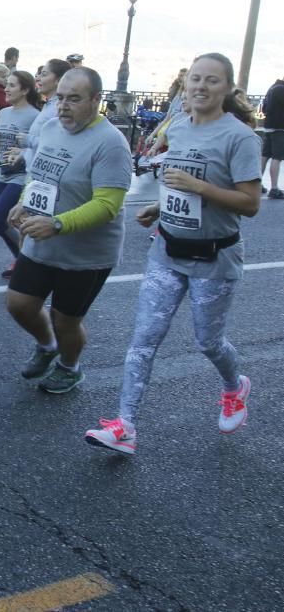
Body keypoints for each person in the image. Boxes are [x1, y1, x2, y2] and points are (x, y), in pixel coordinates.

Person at [85, 53, 261, 455]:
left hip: (215, 259)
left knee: (208, 342)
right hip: (167, 251)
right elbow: (178, 186)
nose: (200, 86)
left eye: (212, 81)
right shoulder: (179, 127)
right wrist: (162, 208)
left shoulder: (240, 138)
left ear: (229, 89)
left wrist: (200, 188)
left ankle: (236, 387)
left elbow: (250, 204)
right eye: (195, 79)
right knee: (143, 340)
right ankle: (125, 426)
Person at [6, 67, 131, 394]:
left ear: (95, 100)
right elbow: (38, 176)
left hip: (85, 254)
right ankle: (47, 346)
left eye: (73, 99)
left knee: (66, 320)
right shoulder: (49, 128)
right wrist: (24, 202)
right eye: (60, 98)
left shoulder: (111, 143)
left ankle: (69, 367)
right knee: (19, 304)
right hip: (41, 236)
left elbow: (108, 205)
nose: (63, 106)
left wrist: (58, 224)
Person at [0, 70, 40, 278]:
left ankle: (24, 261)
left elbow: (38, 147)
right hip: (1, 172)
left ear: (25, 90)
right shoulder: (4, 113)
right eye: (6, 84)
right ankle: (22, 259)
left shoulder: (35, 116)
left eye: (12, 85)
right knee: (1, 222)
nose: (6, 89)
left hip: (20, 175)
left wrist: (24, 153)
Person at [260, 74, 284, 199]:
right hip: (279, 128)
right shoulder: (281, 89)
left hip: (268, 127)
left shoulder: (272, 88)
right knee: (277, 157)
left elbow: (264, 108)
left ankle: (257, 184)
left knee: (264, 156)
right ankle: (274, 188)